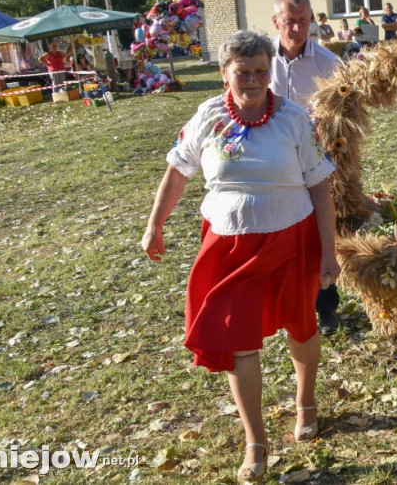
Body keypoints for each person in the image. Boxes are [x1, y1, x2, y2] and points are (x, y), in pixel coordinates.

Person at [140, 31, 339, 481]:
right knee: (237, 338)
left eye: (261, 71)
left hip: (291, 238)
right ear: (224, 71)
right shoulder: (207, 116)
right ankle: (257, 441)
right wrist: (155, 225)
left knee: (301, 325)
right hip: (228, 244)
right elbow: (177, 172)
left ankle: (306, 402)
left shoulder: (294, 118)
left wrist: (329, 252)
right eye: (242, 71)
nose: (253, 80)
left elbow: (321, 189)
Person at [269, 0, 344, 334]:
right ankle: (281, 305)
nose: (298, 28)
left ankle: (326, 307)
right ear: (276, 22)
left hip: (315, 157)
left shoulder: (328, 64)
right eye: (290, 21)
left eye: (304, 20)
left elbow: (344, 113)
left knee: (320, 229)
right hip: (270, 159)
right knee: (278, 229)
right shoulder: (259, 59)